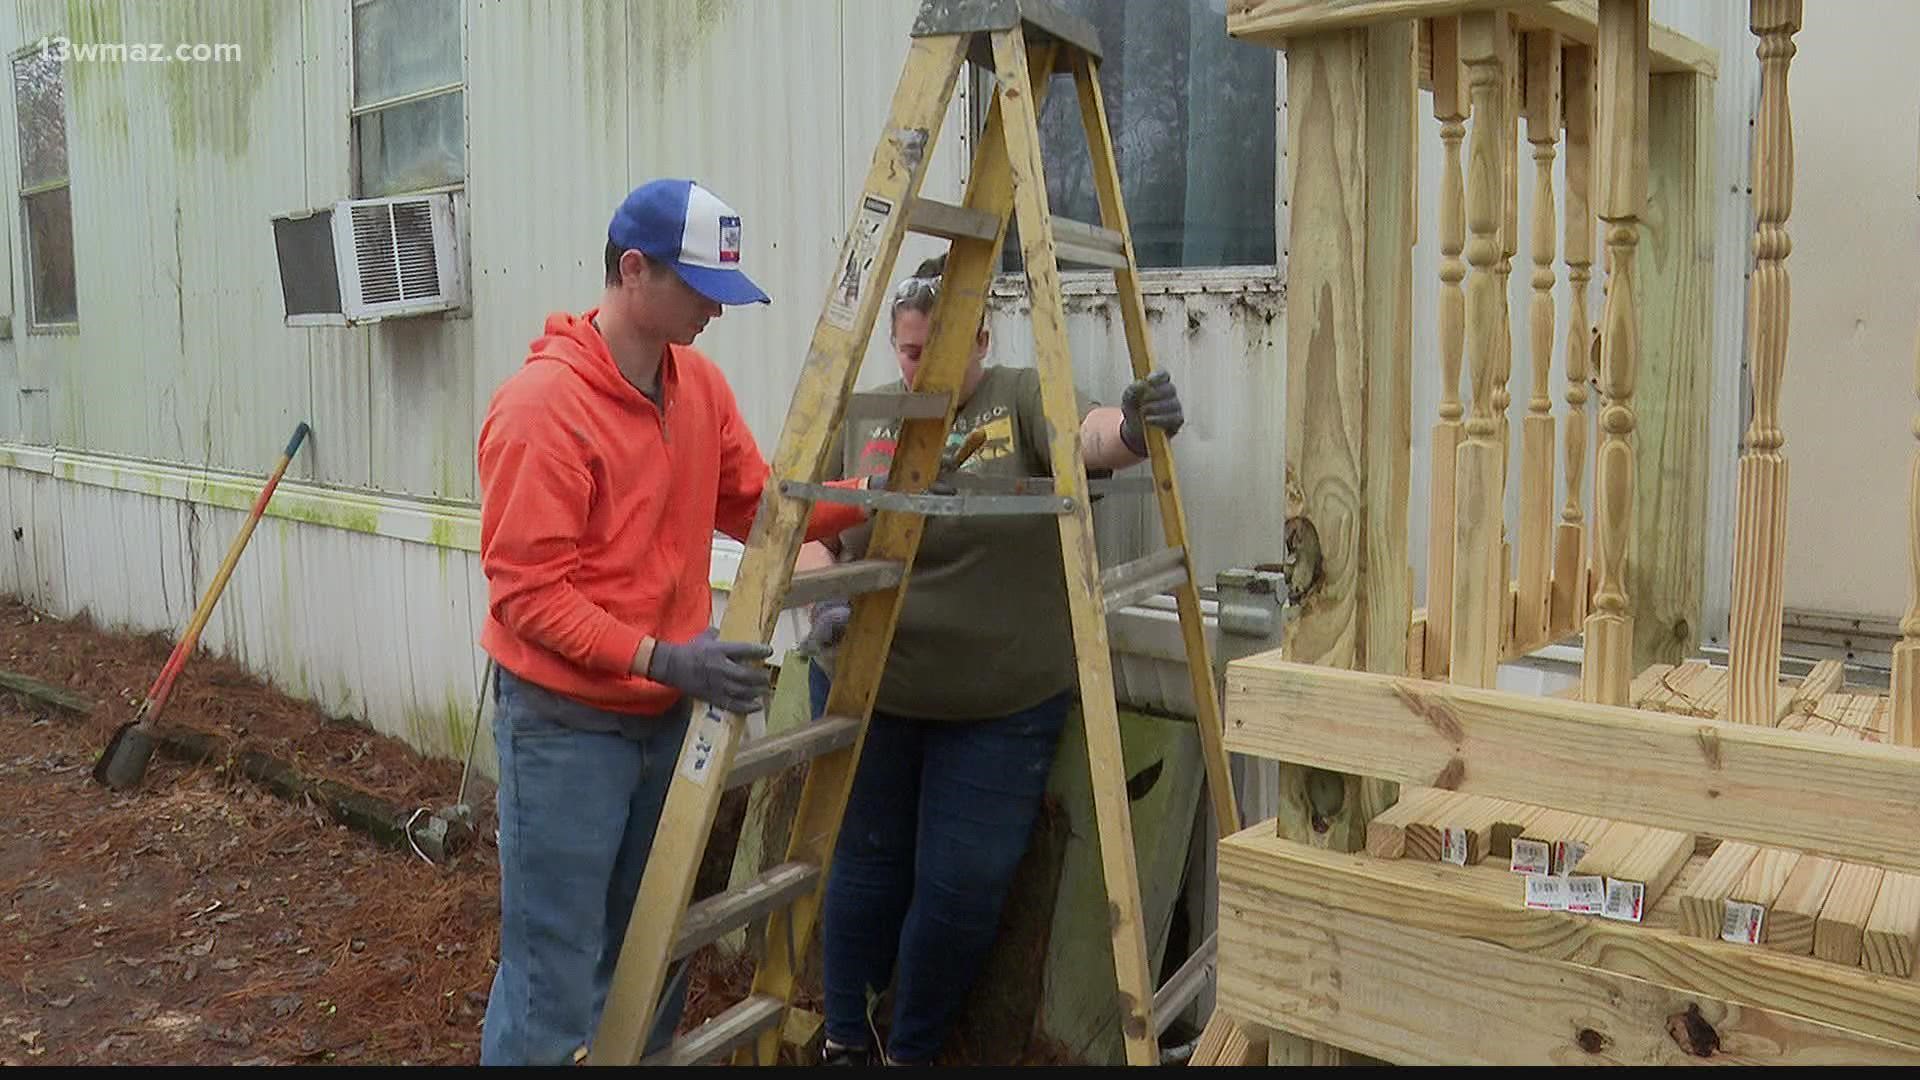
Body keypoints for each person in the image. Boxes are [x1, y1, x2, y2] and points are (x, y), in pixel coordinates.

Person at [473, 178, 870, 1066]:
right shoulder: (543, 411)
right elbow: (528, 597)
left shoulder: (698, 387)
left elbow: (756, 503)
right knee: (555, 971)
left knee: (653, 947)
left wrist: (869, 499)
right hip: (566, 728)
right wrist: (661, 657)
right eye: (699, 291)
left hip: (663, 721)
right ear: (633, 269)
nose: (714, 313)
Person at [798, 253, 1187, 1066]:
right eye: (907, 352)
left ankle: (909, 1050)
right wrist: (826, 596)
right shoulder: (864, 414)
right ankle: (843, 1040)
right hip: (869, 686)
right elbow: (806, 531)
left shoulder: (1016, 396)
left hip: (998, 705)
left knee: (961, 890)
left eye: (934, 352)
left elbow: (1085, 441)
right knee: (860, 872)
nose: (918, 368)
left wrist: (1133, 425)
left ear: (978, 341)